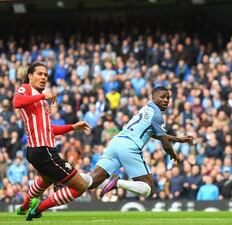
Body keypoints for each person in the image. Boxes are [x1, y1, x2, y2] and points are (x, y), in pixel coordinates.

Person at [13, 61, 93, 221]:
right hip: (43, 150)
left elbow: (49, 129)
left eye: (46, 75)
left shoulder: (41, 100)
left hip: (38, 150)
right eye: (39, 73)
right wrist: (43, 95)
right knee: (80, 186)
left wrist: (73, 127)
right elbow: (16, 102)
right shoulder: (28, 89)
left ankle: (24, 207)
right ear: (30, 75)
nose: (43, 77)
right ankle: (38, 209)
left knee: (48, 179)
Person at [87, 86, 194, 199]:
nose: (166, 100)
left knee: (91, 182)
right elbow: (166, 145)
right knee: (148, 188)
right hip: (129, 146)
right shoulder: (157, 114)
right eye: (162, 97)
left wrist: (179, 139)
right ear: (154, 97)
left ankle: (70, 178)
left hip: (115, 143)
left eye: (168, 98)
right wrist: (174, 155)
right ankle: (117, 182)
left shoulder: (145, 108)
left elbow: (152, 133)